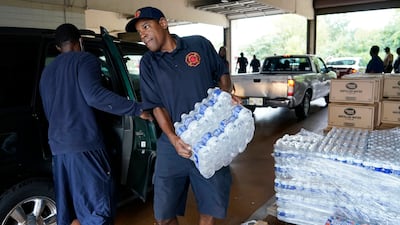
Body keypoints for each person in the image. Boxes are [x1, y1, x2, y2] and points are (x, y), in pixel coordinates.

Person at [125, 6, 241, 225]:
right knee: (163, 213)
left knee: (210, 206)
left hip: (209, 140)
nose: (143, 35)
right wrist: (173, 139)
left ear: (163, 23)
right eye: (140, 32)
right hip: (173, 143)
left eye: (146, 27)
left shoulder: (198, 44)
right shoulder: (149, 64)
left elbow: (222, 73)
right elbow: (157, 106)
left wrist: (225, 100)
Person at [39, 23, 151, 225]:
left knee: (71, 211)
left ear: (58, 48)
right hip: (86, 148)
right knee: (96, 211)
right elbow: (95, 96)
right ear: (80, 41)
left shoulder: (47, 72)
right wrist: (137, 109)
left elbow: (49, 110)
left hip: (58, 149)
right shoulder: (85, 60)